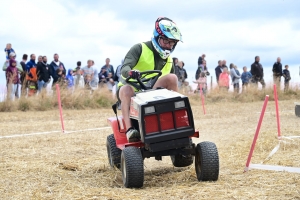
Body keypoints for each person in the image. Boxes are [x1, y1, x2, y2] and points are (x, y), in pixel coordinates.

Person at [118, 17, 182, 142]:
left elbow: (171, 85)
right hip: (132, 88)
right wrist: (131, 72)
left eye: (172, 43)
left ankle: (176, 121)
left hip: (152, 91)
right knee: (126, 90)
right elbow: (124, 67)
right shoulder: (139, 48)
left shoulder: (169, 59)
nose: (169, 46)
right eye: (166, 41)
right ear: (157, 37)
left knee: (173, 78)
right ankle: (130, 130)